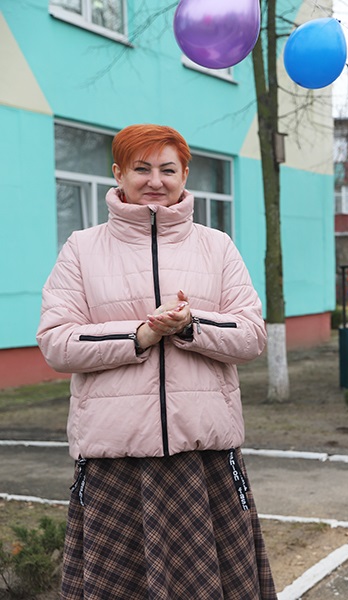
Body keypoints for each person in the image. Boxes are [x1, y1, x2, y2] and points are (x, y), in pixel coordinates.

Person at [36, 124, 275, 599]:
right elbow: (56, 342)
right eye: (141, 168)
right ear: (118, 173)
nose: (155, 181)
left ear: (185, 174)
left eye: (168, 169)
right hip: (115, 460)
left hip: (203, 459)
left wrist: (190, 326)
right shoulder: (82, 248)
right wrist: (140, 334)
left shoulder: (217, 246)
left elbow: (251, 335)